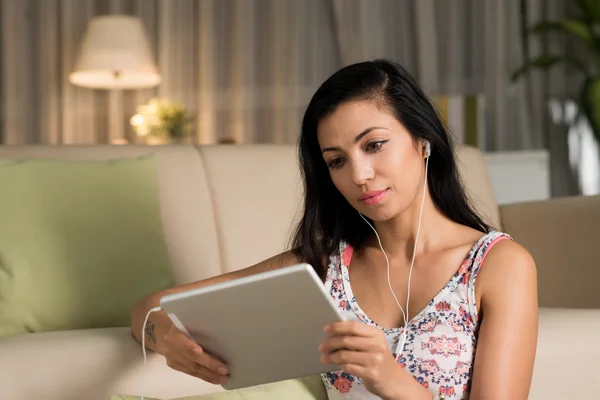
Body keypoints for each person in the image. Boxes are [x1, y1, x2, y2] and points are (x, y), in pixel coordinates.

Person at [130, 59, 538, 400]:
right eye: (337, 161)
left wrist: (395, 383)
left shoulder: (498, 265)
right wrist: (163, 336)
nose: (359, 175)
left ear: (423, 140)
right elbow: (148, 307)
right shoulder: (324, 268)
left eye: (374, 144)